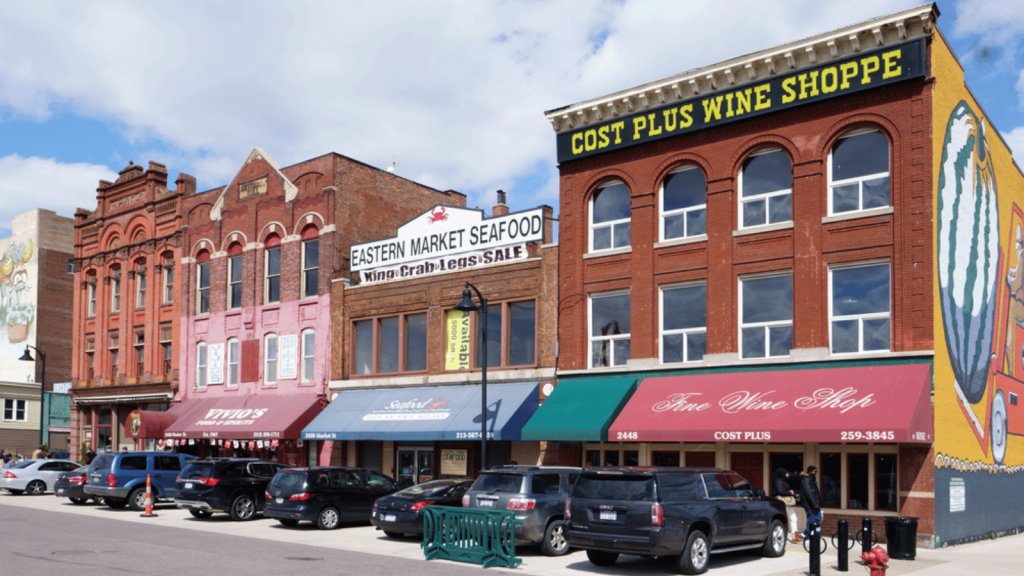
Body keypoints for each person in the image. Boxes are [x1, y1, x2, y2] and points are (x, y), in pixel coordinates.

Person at [773, 468, 802, 543]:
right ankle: (780, 536)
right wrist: (790, 492)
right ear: (782, 474)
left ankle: (795, 537)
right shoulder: (778, 481)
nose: (788, 474)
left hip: (787, 503)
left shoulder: (783, 480)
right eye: (786, 473)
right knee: (787, 519)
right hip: (783, 503)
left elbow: (794, 476)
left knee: (794, 518)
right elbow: (780, 491)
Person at [799, 466, 823, 540]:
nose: (816, 473)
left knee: (818, 518)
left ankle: (811, 533)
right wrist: (814, 503)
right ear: (810, 471)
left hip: (816, 503)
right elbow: (808, 493)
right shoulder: (806, 480)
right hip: (810, 504)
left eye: (816, 471)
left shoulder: (812, 480)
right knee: (811, 520)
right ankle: (808, 537)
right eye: (814, 471)